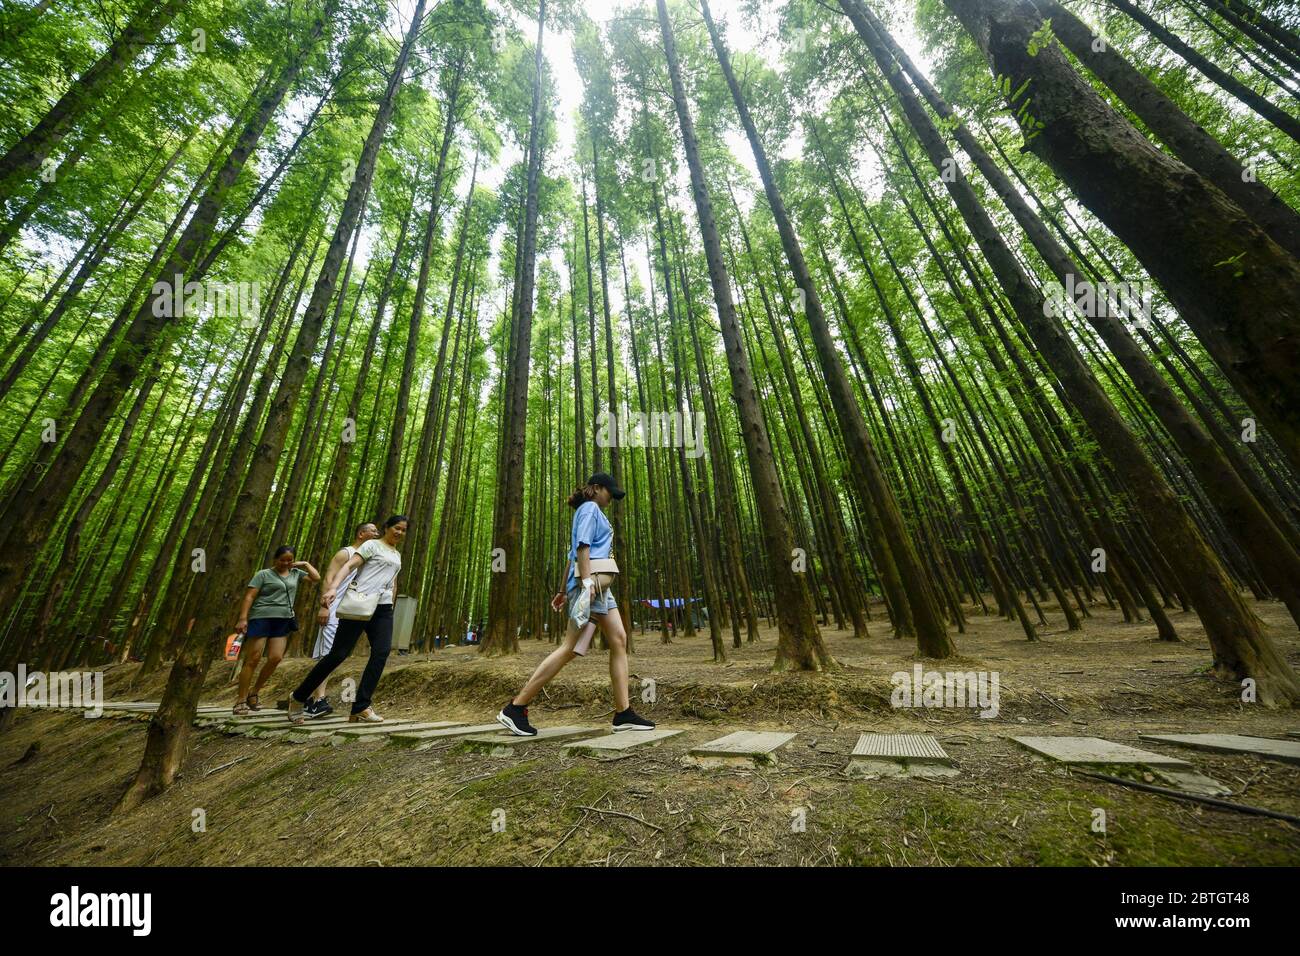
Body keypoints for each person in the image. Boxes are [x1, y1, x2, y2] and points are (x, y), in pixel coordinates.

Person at [497, 473, 654, 736]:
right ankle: (516, 707)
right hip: (591, 585)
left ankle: (623, 713)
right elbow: (582, 547)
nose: (611, 498)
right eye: (609, 492)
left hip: (598, 587)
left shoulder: (591, 511)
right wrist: (585, 585)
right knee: (570, 648)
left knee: (618, 639)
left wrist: (562, 589)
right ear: (596, 489)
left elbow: (570, 556)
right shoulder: (590, 508)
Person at [286, 515, 408, 724]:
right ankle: (298, 697)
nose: (399, 533)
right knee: (338, 654)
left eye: (404, 530)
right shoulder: (372, 545)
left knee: (381, 652)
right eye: (396, 528)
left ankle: (361, 706)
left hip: (383, 608)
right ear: (387, 527)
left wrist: (391, 604)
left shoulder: (396, 555)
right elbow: (349, 566)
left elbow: (392, 583)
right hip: (359, 603)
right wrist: (333, 588)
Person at [303, 521, 380, 719]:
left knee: (337, 653)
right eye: (373, 531)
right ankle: (316, 700)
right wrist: (324, 606)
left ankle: (312, 698)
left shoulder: (370, 558)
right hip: (334, 608)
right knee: (328, 653)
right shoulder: (345, 553)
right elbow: (329, 578)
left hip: (352, 610)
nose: (377, 534)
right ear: (361, 534)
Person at [233, 546, 320, 714]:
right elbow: (250, 596)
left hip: (283, 619)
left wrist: (305, 563)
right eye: (282, 560)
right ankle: (241, 699)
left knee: (275, 657)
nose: (285, 563)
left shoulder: (295, 573)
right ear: (275, 559)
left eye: (289, 560)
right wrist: (243, 618)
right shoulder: (263, 574)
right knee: (253, 658)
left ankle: (254, 693)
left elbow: (316, 578)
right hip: (261, 617)